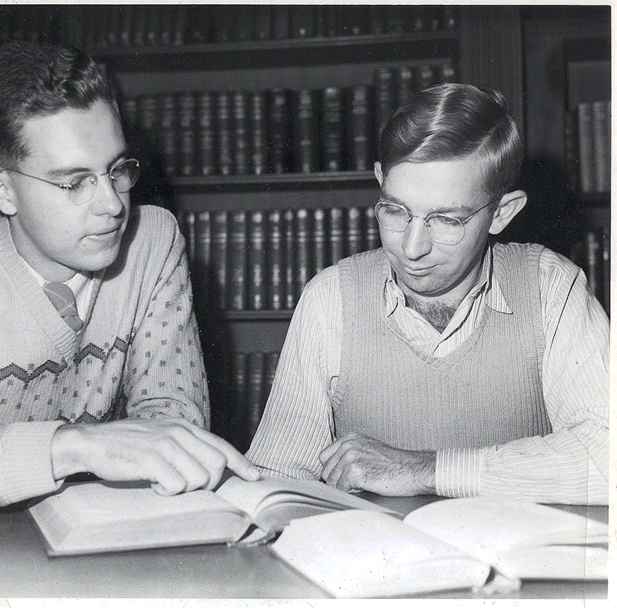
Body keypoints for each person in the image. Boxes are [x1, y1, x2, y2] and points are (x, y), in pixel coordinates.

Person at [0, 41, 259, 520]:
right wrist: (70, 447)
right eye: (74, 181)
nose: (112, 204)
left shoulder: (152, 241)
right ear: (3, 192)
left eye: (116, 170)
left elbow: (173, 426)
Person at [246, 83, 608, 505]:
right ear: (380, 180)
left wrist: (424, 470)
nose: (412, 247)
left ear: (501, 213)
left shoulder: (552, 289)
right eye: (395, 210)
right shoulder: (329, 298)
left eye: (447, 220)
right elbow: (275, 485)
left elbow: (609, 457)